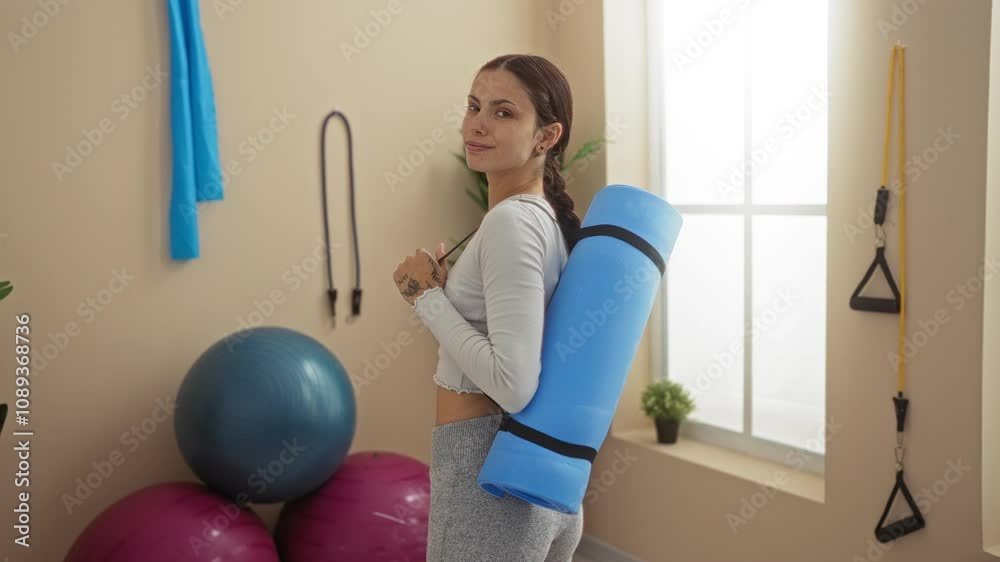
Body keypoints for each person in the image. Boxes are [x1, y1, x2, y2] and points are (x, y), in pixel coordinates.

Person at [392, 54, 584, 561]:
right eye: (474, 106)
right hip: (529, 480)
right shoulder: (541, 220)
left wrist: (425, 298)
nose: (477, 124)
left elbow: (513, 385)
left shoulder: (510, 223)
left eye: (503, 112)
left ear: (546, 137)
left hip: (487, 478)